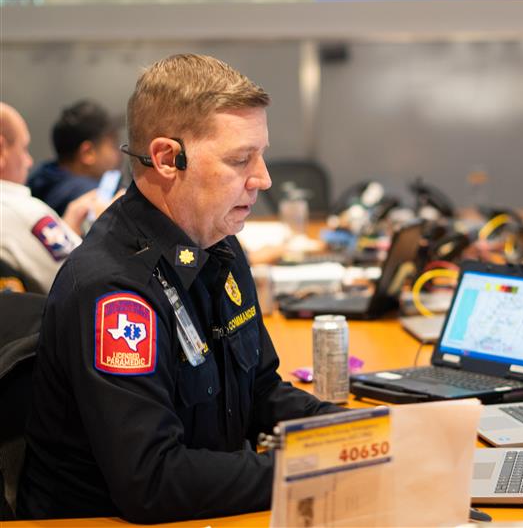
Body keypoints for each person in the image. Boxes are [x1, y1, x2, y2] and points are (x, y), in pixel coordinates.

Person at [17, 54, 343, 523]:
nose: (264, 178)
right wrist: (307, 470)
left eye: (261, 154)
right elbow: (152, 480)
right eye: (240, 159)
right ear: (168, 159)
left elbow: (261, 392)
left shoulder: (220, 245)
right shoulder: (115, 292)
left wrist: (356, 435)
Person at [0, 102, 95, 293]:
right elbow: (87, 278)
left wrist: (65, 228)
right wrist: (107, 227)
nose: (29, 161)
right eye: (24, 148)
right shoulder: (20, 210)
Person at [26, 100, 121, 215]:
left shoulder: (38, 181)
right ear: (88, 153)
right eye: (113, 146)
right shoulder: (89, 196)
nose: (119, 154)